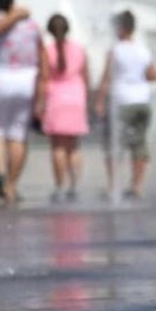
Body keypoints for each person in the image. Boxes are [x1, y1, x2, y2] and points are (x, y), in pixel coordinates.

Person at [0, 0, 41, 203]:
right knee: (17, 136)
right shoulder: (31, 25)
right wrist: (18, 14)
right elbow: (42, 59)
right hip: (26, 82)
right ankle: (11, 186)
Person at [95, 10, 156, 200]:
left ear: (121, 28)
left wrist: (99, 101)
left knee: (114, 144)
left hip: (122, 102)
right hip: (142, 102)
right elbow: (153, 75)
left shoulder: (115, 50)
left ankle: (114, 185)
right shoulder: (144, 49)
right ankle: (136, 186)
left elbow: (106, 78)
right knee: (139, 144)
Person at [35, 14, 90, 203]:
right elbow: (85, 76)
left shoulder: (46, 51)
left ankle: (60, 186)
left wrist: (39, 103)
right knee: (73, 146)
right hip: (76, 97)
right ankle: (73, 187)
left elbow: (43, 79)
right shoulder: (79, 49)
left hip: (56, 98)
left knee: (58, 146)